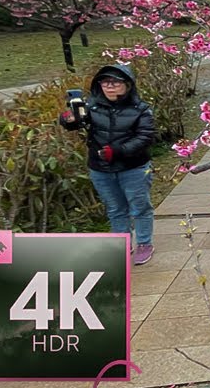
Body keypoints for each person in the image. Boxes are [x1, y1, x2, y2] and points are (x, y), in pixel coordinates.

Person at [60, 64, 158, 265]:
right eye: (105, 82)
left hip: (134, 168)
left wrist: (118, 151)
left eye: (115, 82)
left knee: (140, 207)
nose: (110, 86)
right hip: (101, 169)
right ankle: (121, 245)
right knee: (115, 208)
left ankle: (144, 243)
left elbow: (145, 137)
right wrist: (68, 119)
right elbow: (75, 123)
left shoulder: (141, 110)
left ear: (128, 85)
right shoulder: (91, 107)